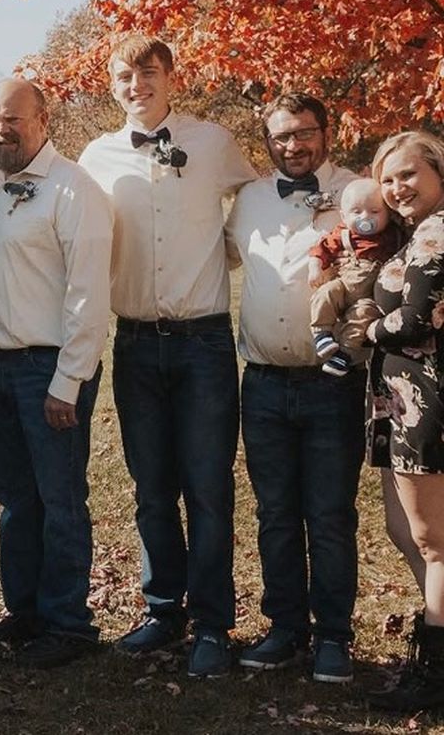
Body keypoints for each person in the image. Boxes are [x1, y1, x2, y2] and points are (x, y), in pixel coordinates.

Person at [78, 35, 255, 678]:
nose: (137, 85)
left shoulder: (212, 143)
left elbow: (258, 205)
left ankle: (211, 624)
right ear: (112, 85)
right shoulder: (95, 156)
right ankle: (162, 611)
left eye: (148, 73)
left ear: (171, 78)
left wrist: (222, 251)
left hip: (203, 341)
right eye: (124, 76)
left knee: (207, 488)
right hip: (134, 342)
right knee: (152, 488)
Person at [224, 92, 366, 684]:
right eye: (281, 136)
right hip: (261, 384)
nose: (293, 145)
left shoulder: (358, 193)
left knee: (329, 515)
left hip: (333, 383)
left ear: (326, 133)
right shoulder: (250, 200)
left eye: (304, 132)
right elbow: (225, 258)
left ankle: (333, 636)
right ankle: (285, 628)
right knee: (276, 514)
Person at [0, 79, 112, 668]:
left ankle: (69, 624)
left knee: (60, 499)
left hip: (51, 368)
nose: (1, 129)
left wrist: (68, 381)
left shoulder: (74, 189)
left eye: (13, 119)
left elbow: (89, 294)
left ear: (43, 119)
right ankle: (24, 612)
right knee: (14, 498)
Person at [365, 131, 444, 712]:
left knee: (434, 542)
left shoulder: (438, 233)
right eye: (388, 179)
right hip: (399, 404)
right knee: (404, 529)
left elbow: (416, 320)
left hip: (427, 403)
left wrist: (364, 330)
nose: (397, 188)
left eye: (409, 174)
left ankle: (436, 674)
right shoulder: (415, 234)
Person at [309, 178, 398, 375]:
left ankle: (344, 354)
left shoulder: (393, 235)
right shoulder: (342, 234)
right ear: (343, 215)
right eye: (356, 212)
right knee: (325, 293)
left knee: (362, 316)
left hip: (369, 295)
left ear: (388, 214)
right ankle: (321, 333)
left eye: (374, 211)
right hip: (343, 284)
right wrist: (315, 267)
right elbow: (321, 249)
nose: (365, 217)